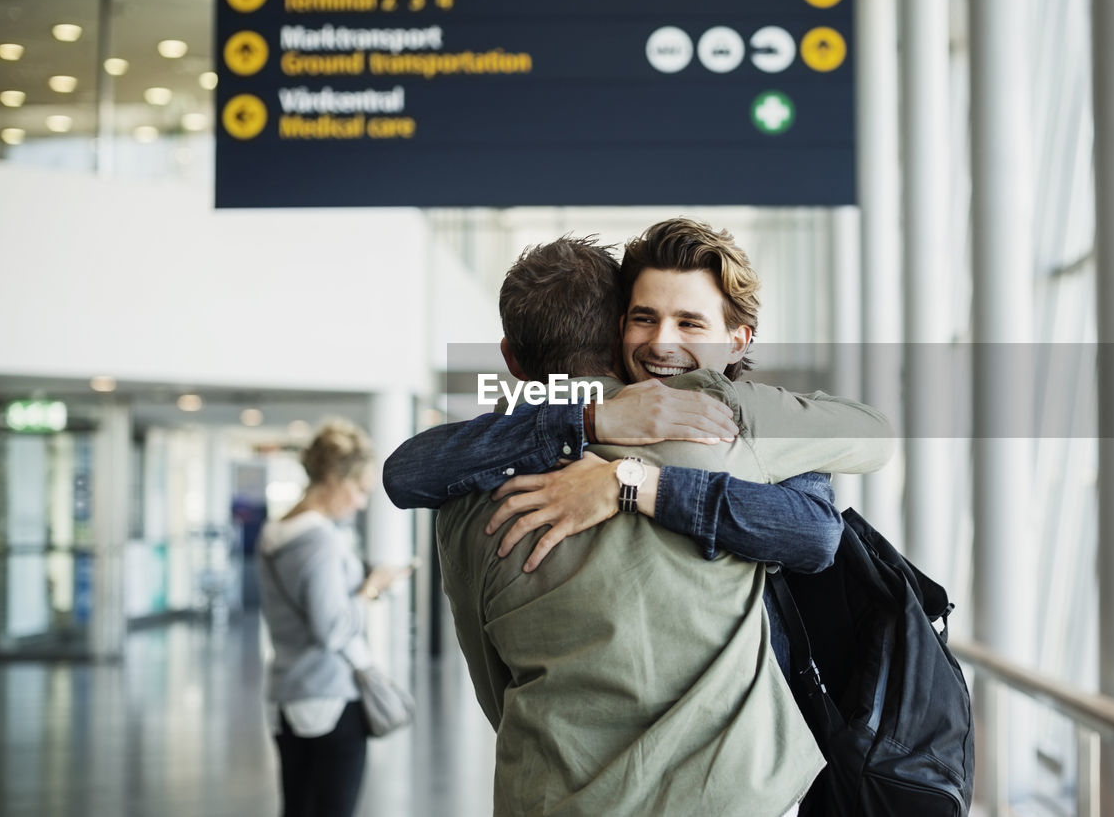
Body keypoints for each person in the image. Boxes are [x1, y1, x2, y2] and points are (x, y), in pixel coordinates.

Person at [384, 234, 892, 816]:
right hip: (729, 796)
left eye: (689, 323)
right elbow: (861, 457)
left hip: (554, 794)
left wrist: (633, 482)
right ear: (615, 330)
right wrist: (596, 420)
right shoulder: (723, 418)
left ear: (510, 358)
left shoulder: (469, 479)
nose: (662, 342)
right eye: (644, 318)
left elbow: (491, 682)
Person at [257, 419, 411, 817]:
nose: (361, 503)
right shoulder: (320, 539)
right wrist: (370, 589)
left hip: (288, 694)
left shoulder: (274, 532)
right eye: (359, 490)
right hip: (330, 695)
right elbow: (332, 630)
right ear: (333, 478)